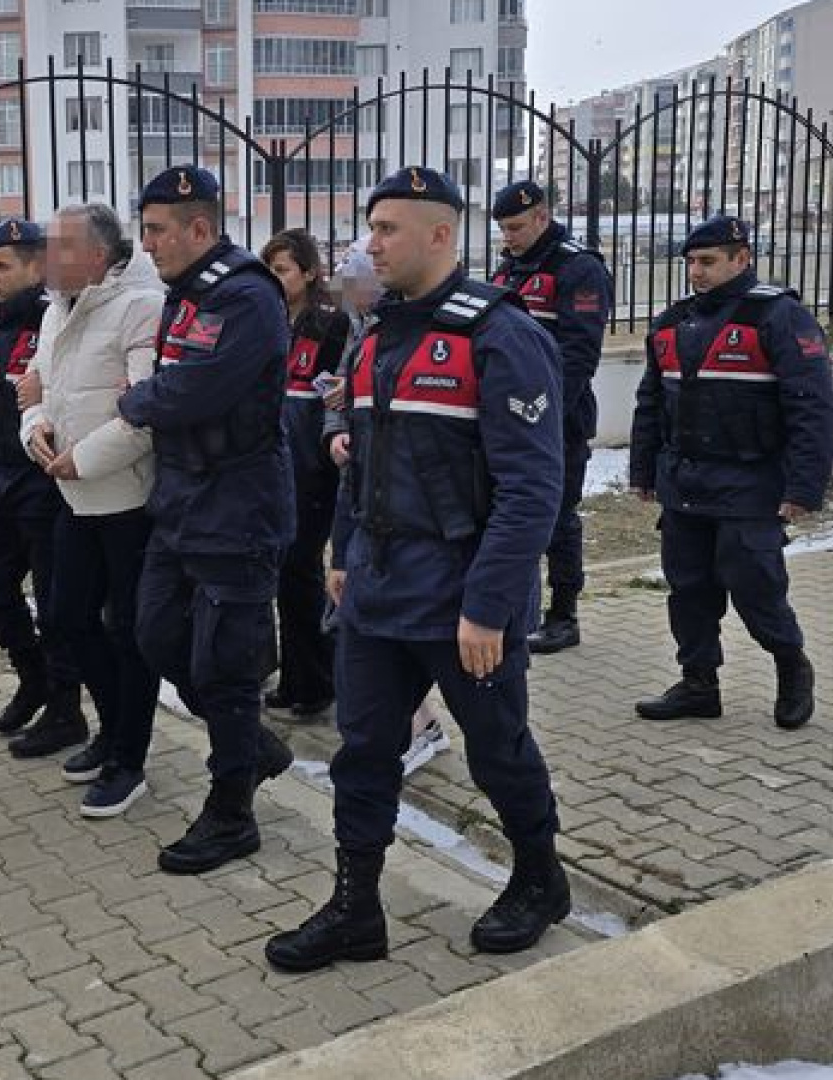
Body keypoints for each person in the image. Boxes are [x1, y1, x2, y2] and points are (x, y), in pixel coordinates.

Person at [265, 167, 569, 973]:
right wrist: (339, 553)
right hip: (376, 587)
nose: (372, 243)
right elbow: (357, 459)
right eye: (371, 227)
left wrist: (491, 605)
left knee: (497, 747)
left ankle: (541, 879)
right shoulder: (377, 335)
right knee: (363, 749)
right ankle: (355, 909)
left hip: (463, 598)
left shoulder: (501, 335)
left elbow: (533, 487)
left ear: (441, 235)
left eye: (390, 228)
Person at [119, 166, 297, 875]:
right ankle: (253, 746)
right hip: (183, 502)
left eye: (158, 230)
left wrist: (136, 401)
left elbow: (192, 389)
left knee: (223, 668)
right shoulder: (186, 295)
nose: (147, 243)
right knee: (156, 636)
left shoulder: (248, 296)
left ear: (199, 228)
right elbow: (170, 380)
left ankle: (232, 814)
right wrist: (151, 394)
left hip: (238, 507)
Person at [628, 215, 833, 730]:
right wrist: (643, 470)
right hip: (685, 483)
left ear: (741, 259)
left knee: (757, 587)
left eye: (708, 262)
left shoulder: (779, 316)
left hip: (750, 484)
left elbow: (812, 408)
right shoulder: (672, 322)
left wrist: (804, 487)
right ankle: (699, 684)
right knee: (689, 590)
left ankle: (791, 668)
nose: (696, 272)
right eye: (691, 263)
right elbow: (650, 402)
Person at [16, 203, 164, 816]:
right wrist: (36, 430)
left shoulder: (140, 308)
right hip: (70, 493)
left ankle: (129, 759)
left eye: (60, 247)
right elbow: (35, 388)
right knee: (69, 617)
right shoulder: (56, 310)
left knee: (129, 633)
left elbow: (146, 411)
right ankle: (111, 727)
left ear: (99, 255)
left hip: (124, 496)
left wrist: (83, 458)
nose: (46, 259)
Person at [324, 245, 453, 778]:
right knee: (356, 632)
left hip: (427, 533)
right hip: (364, 513)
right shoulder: (364, 334)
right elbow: (348, 396)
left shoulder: (460, 332)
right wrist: (337, 431)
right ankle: (401, 729)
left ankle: (421, 726)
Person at [0, 218, 83, 753]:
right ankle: (33, 677)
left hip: (46, 484)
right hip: (0, 482)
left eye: (2, 265)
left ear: (37, 267)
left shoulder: (57, 322)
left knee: (57, 608)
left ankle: (65, 711)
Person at [490, 181, 615, 655]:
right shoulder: (510, 268)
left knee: (557, 517)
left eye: (517, 227)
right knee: (508, 515)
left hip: (556, 419)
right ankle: (511, 607)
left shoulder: (578, 268)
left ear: (542, 217)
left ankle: (564, 614)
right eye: (503, 228)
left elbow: (579, 355)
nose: (509, 237)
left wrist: (540, 415)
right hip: (506, 416)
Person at [260, 229, 349, 721]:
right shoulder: (270, 320)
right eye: (270, 270)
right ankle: (297, 678)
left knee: (300, 572)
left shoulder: (329, 325)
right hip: (278, 468)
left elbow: (338, 391)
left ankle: (315, 683)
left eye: (283, 270)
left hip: (313, 471)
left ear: (310, 272)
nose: (276, 279)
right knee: (288, 577)